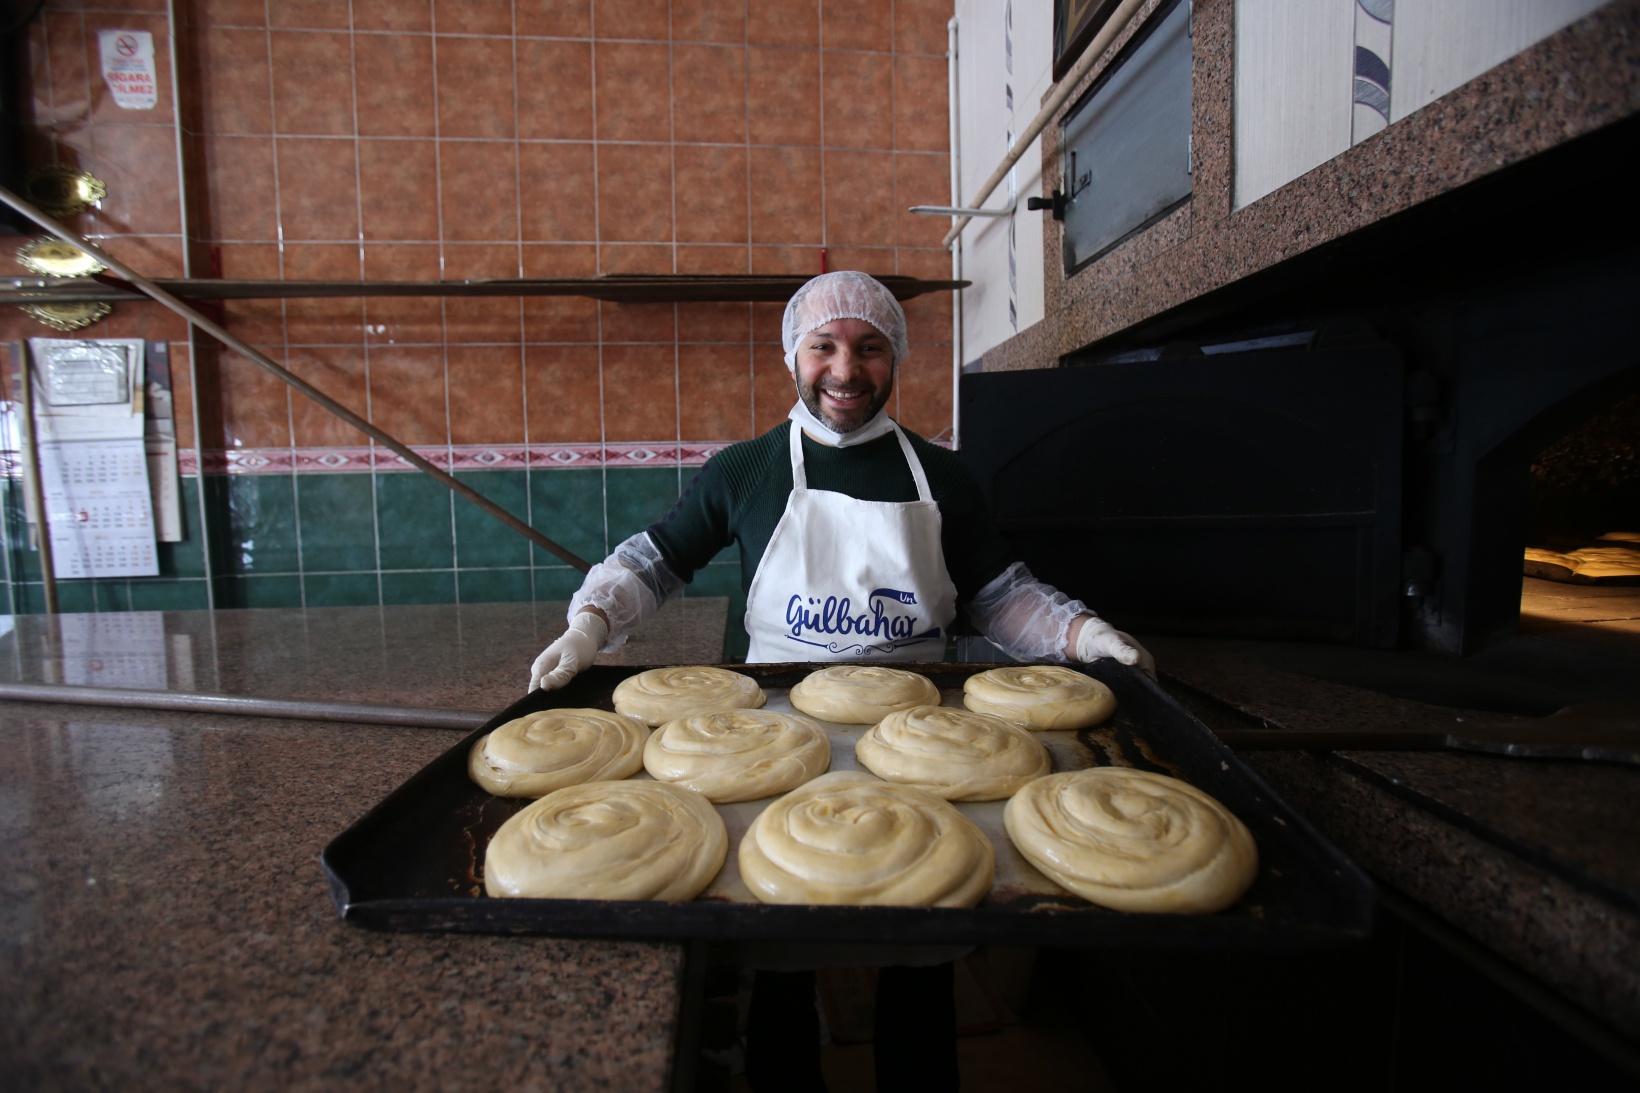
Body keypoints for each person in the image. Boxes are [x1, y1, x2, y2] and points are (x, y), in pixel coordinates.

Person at [527, 270, 1153, 1092]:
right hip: (768, 749)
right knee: (781, 952)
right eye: (824, 346)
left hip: (930, 747)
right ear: (794, 355)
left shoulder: (942, 476)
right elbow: (656, 559)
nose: (845, 370)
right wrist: (589, 623)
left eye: (869, 347)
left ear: (896, 358)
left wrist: (1083, 633)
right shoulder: (747, 470)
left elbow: (1001, 595)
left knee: (920, 939)